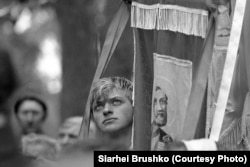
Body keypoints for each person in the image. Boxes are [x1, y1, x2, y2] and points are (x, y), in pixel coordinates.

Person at [90, 76, 133, 149]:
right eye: (99, 107)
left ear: (134, 105)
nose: (106, 110)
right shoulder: (83, 156)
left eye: (116, 102)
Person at [151, 86, 173, 150]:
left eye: (163, 102)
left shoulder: (167, 139)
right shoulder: (135, 135)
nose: (160, 108)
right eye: (154, 103)